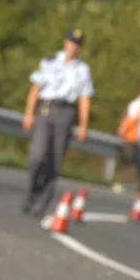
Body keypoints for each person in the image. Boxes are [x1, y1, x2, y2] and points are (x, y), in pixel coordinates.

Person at [20, 28, 94, 216]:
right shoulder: (50, 61)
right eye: (70, 43)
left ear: (80, 48)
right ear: (65, 43)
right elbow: (35, 88)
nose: (73, 47)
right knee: (38, 155)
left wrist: (84, 125)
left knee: (55, 158)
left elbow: (85, 98)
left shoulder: (82, 70)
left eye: (77, 45)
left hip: (66, 112)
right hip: (47, 108)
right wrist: (29, 114)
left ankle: (44, 200)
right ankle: (32, 191)